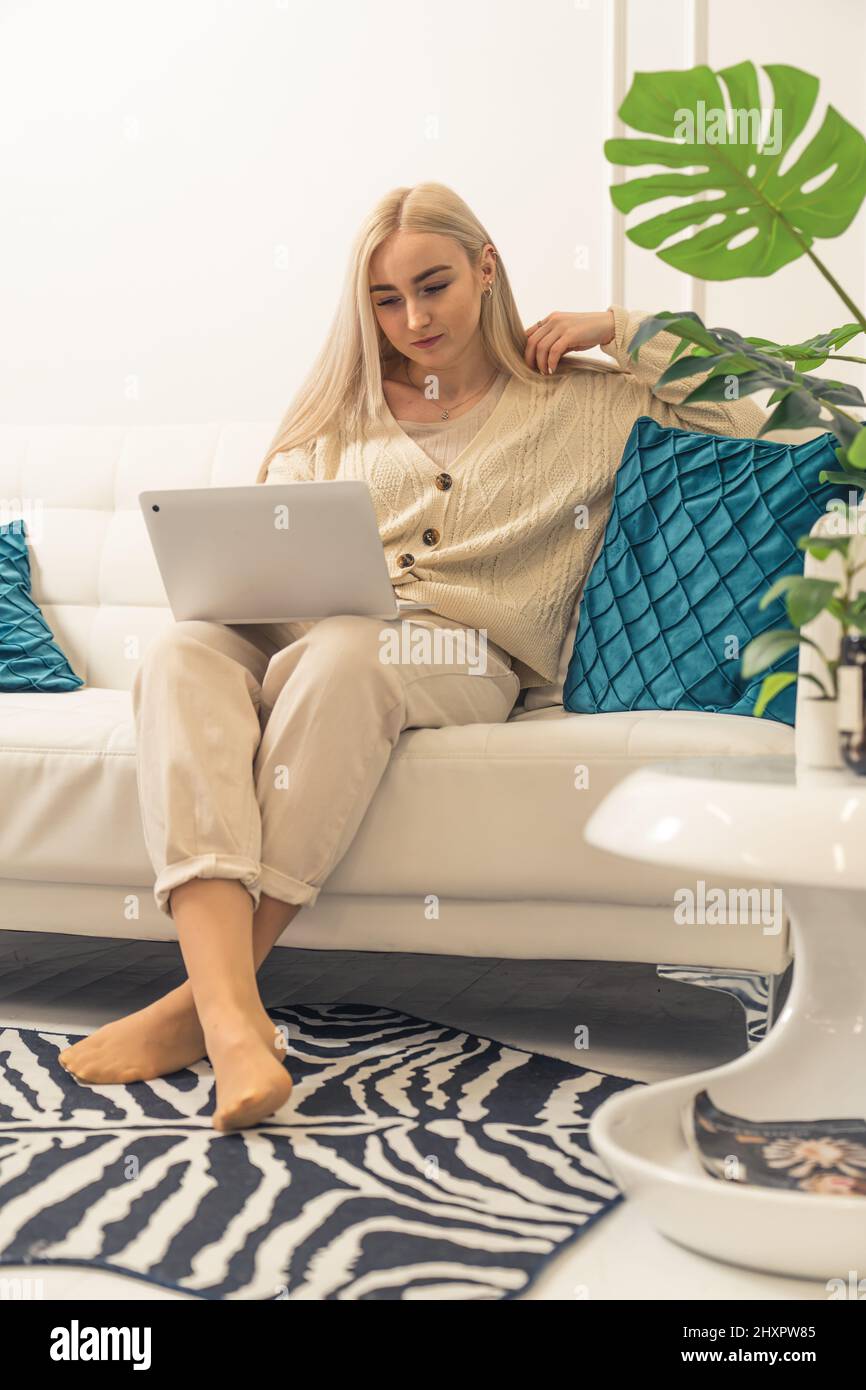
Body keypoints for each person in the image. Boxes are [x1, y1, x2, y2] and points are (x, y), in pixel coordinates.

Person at [58, 181, 766, 1131]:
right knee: (183, 653)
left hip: (456, 648)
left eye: (433, 286)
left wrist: (620, 324)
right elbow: (263, 542)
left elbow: (748, 399)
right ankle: (227, 1013)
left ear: (486, 267)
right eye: (387, 301)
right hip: (300, 629)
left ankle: (207, 1008)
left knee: (352, 653)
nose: (413, 319)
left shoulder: (588, 403)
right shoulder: (335, 414)